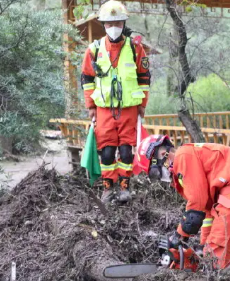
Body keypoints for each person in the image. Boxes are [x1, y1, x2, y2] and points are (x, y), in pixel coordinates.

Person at [135, 135, 230, 269]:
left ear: (163, 155)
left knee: (215, 265)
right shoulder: (188, 164)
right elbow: (206, 211)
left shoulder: (183, 156)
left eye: (154, 174)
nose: (159, 179)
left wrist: (178, 236)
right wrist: (203, 245)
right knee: (209, 257)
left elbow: (196, 205)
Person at [80, 0, 151, 203]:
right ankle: (107, 187)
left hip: (129, 108)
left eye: (118, 23)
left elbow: (144, 78)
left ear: (124, 24)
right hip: (103, 109)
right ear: (103, 25)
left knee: (127, 151)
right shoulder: (94, 50)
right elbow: (86, 78)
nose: (114, 28)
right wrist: (90, 107)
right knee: (108, 151)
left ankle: (124, 187)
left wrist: (143, 104)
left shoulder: (136, 48)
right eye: (110, 24)